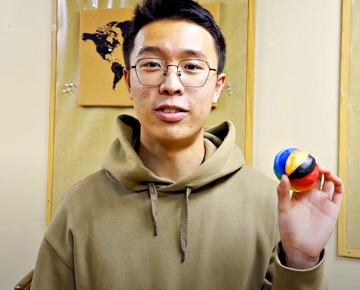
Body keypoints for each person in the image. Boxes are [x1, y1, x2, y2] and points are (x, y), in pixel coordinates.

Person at [31, 0, 343, 289]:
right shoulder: (80, 205)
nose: (171, 84)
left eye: (192, 67)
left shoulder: (271, 204)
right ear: (128, 82)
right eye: (152, 65)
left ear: (218, 87)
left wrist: (301, 261)